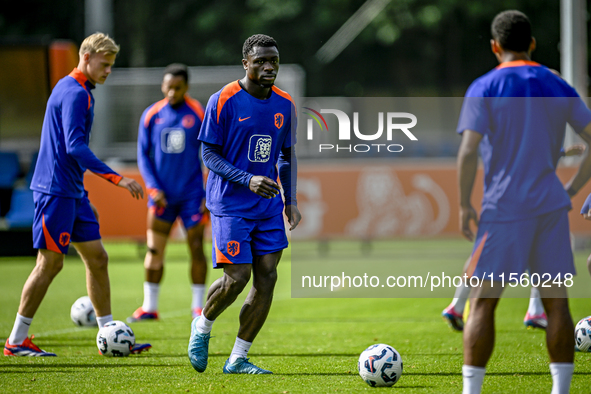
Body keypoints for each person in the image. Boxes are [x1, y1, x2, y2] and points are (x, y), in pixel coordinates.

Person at [456, 11, 591, 394]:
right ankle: (561, 391)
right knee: (557, 305)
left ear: (496, 46)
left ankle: (472, 392)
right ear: (532, 44)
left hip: (504, 208)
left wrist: (465, 203)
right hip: (550, 206)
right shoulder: (557, 83)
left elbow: (467, 151)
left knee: (483, 303)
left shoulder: (485, 85)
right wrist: (572, 188)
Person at [4, 33, 150, 357]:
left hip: (71, 190)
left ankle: (108, 335)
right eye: (106, 64)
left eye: (112, 65)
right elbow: (74, 147)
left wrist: (82, 193)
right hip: (55, 190)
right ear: (87, 56)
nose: (109, 71)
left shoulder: (72, 87)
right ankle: (15, 341)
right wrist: (118, 180)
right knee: (49, 264)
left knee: (97, 258)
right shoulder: (75, 93)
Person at [188, 34, 301, 374]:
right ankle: (202, 327)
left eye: (274, 62)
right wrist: (247, 178)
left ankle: (238, 357)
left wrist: (290, 200)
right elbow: (208, 153)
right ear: (246, 63)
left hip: (267, 206)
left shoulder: (285, 104)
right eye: (261, 61)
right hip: (230, 203)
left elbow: (287, 156)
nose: (269, 67)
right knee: (237, 277)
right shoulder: (223, 100)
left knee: (267, 277)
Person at [443, 144, 586, 332]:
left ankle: (457, 304)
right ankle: (535, 311)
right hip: (528, 201)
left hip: (502, 201)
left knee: (484, 254)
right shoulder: (525, 128)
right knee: (544, 252)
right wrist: (564, 153)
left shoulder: (502, 129)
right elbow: (530, 151)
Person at [128, 64, 208, 323]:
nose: (172, 92)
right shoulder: (151, 115)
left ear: (187, 87)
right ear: (162, 86)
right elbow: (143, 154)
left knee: (196, 248)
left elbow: (212, 153)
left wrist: (209, 192)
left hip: (192, 196)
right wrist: (153, 187)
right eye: (168, 87)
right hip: (161, 196)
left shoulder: (198, 113)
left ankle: (199, 307)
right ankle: (149, 307)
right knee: (154, 251)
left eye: (177, 87)